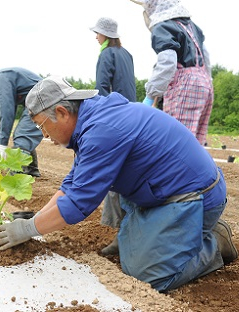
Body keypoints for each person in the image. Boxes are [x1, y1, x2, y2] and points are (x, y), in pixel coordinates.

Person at [0, 76, 238, 293]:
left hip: (195, 197)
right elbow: (71, 185)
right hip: (162, 192)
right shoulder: (92, 120)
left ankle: (215, 242)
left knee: (148, 275)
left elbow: (79, 203)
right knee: (129, 250)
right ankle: (145, 239)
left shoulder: (102, 130)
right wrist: (35, 218)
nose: (43, 135)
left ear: (61, 112)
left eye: (41, 125)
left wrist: (27, 229)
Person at [130, 0, 213, 145]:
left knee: (177, 142)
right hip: (204, 82)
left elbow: (167, 62)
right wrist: (207, 81)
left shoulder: (164, 26)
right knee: (195, 143)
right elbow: (206, 56)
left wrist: (150, 95)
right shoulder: (191, 26)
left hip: (185, 85)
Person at [90, 16, 137, 256]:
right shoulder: (126, 54)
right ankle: (133, 231)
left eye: (97, 33)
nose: (95, 36)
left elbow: (101, 90)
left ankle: (122, 235)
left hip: (116, 119)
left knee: (114, 176)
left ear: (105, 35)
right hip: (133, 115)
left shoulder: (106, 54)